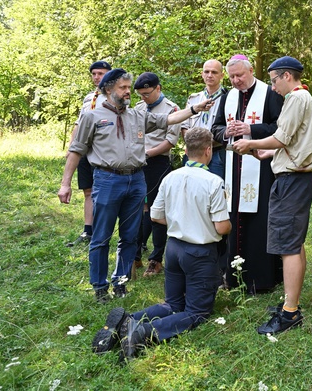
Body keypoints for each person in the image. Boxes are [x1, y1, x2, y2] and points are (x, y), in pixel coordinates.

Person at [57, 68, 196, 303]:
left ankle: (120, 282)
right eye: (122, 88)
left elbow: (168, 119)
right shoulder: (92, 117)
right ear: (108, 90)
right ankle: (100, 287)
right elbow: (76, 150)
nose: (127, 92)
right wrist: (65, 184)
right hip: (107, 180)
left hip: (136, 180)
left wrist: (193, 109)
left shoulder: (136, 115)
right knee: (101, 237)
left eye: (128, 87)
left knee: (130, 237)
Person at [91, 127, 231, 360]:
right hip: (200, 253)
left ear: (185, 151)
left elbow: (156, 216)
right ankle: (144, 332)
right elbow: (221, 227)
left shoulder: (170, 177)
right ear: (208, 151)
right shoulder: (214, 182)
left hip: (174, 249)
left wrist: (179, 222)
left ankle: (129, 320)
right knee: (197, 311)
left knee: (173, 303)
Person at [233, 56, 312, 335]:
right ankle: (289, 302)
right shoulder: (303, 98)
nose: (272, 88)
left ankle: (290, 313)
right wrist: (266, 153)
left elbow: (282, 137)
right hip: (295, 176)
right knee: (294, 242)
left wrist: (251, 142)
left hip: (293, 180)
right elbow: (293, 140)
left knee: (288, 245)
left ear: (286, 76)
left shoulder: (296, 99)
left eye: (273, 81)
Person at [211, 55, 284, 293]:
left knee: (260, 221)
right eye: (231, 76)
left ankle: (262, 279)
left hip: (261, 166)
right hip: (233, 167)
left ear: (251, 70)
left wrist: (250, 129)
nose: (235, 80)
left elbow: (280, 128)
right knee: (234, 220)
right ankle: (232, 277)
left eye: (240, 75)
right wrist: (226, 131)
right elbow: (215, 128)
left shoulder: (270, 93)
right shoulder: (227, 96)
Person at [133, 72, 181, 277]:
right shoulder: (138, 108)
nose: (144, 98)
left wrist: (147, 153)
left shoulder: (172, 110)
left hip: (157, 163)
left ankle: (156, 259)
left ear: (158, 88)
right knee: (136, 209)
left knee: (157, 211)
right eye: (140, 94)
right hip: (136, 163)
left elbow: (170, 141)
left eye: (147, 93)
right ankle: (135, 255)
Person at [66, 60, 112, 246]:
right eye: (93, 74)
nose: (96, 77)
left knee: (103, 192)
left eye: (100, 73)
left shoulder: (114, 97)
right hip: (84, 149)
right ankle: (88, 230)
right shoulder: (88, 98)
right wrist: (71, 146)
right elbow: (79, 123)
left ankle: (102, 231)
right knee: (88, 190)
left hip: (102, 150)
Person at [181, 59, 227, 177]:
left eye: (214, 72)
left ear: (222, 75)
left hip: (216, 152)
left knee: (216, 187)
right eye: (206, 72)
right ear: (202, 74)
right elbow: (184, 126)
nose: (209, 75)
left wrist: (207, 143)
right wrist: (195, 143)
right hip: (192, 153)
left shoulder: (228, 99)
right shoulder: (194, 99)